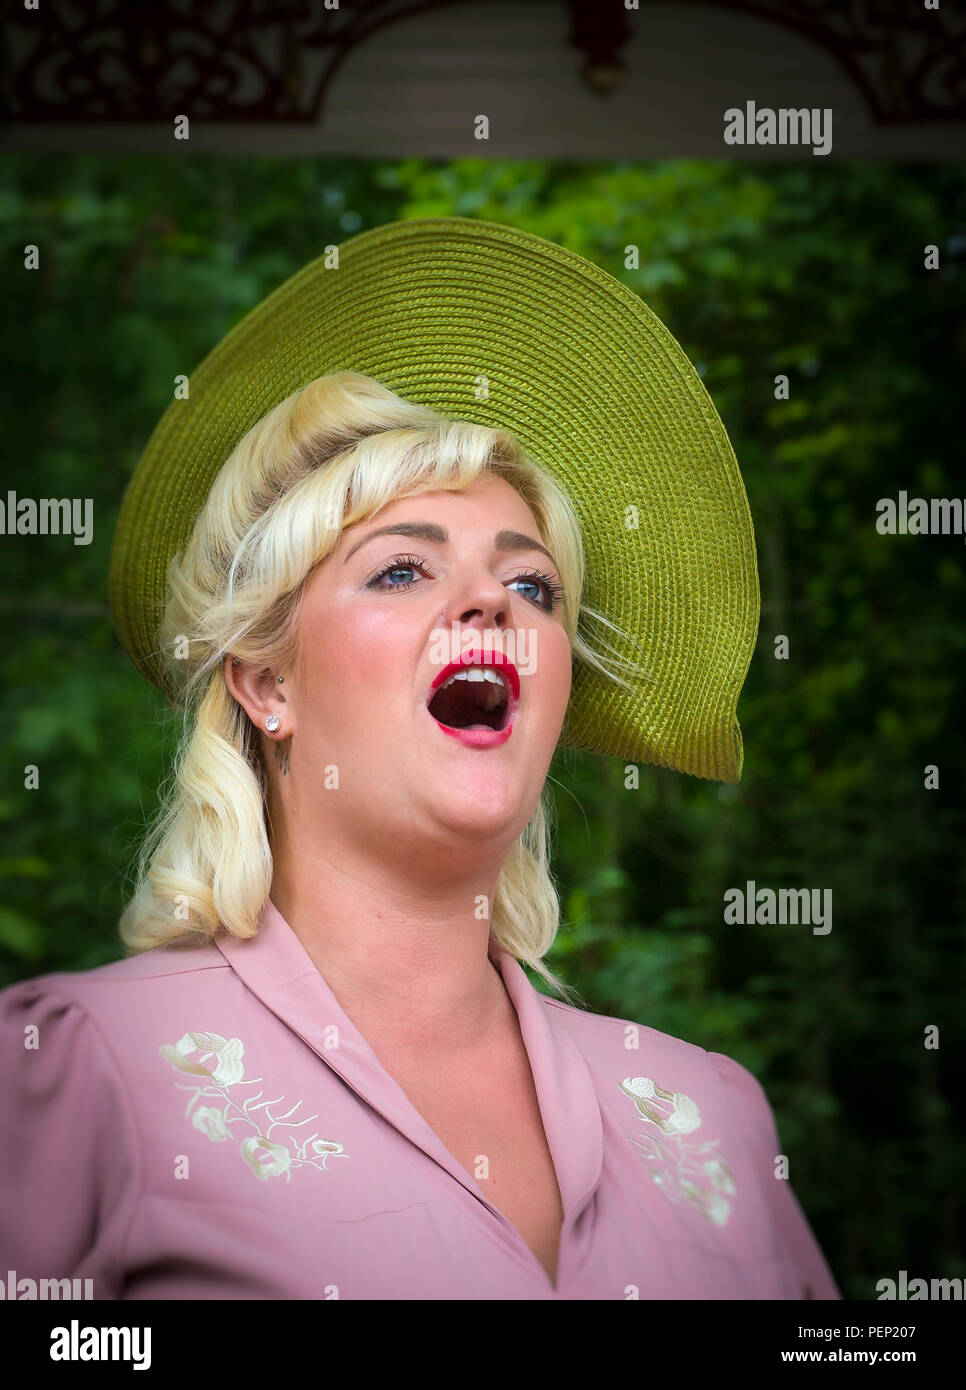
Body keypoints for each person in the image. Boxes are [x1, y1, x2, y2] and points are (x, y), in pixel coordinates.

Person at [0, 218, 840, 1300]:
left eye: (532, 586)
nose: (491, 600)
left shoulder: (715, 1115)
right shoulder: (85, 1068)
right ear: (267, 684)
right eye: (402, 571)